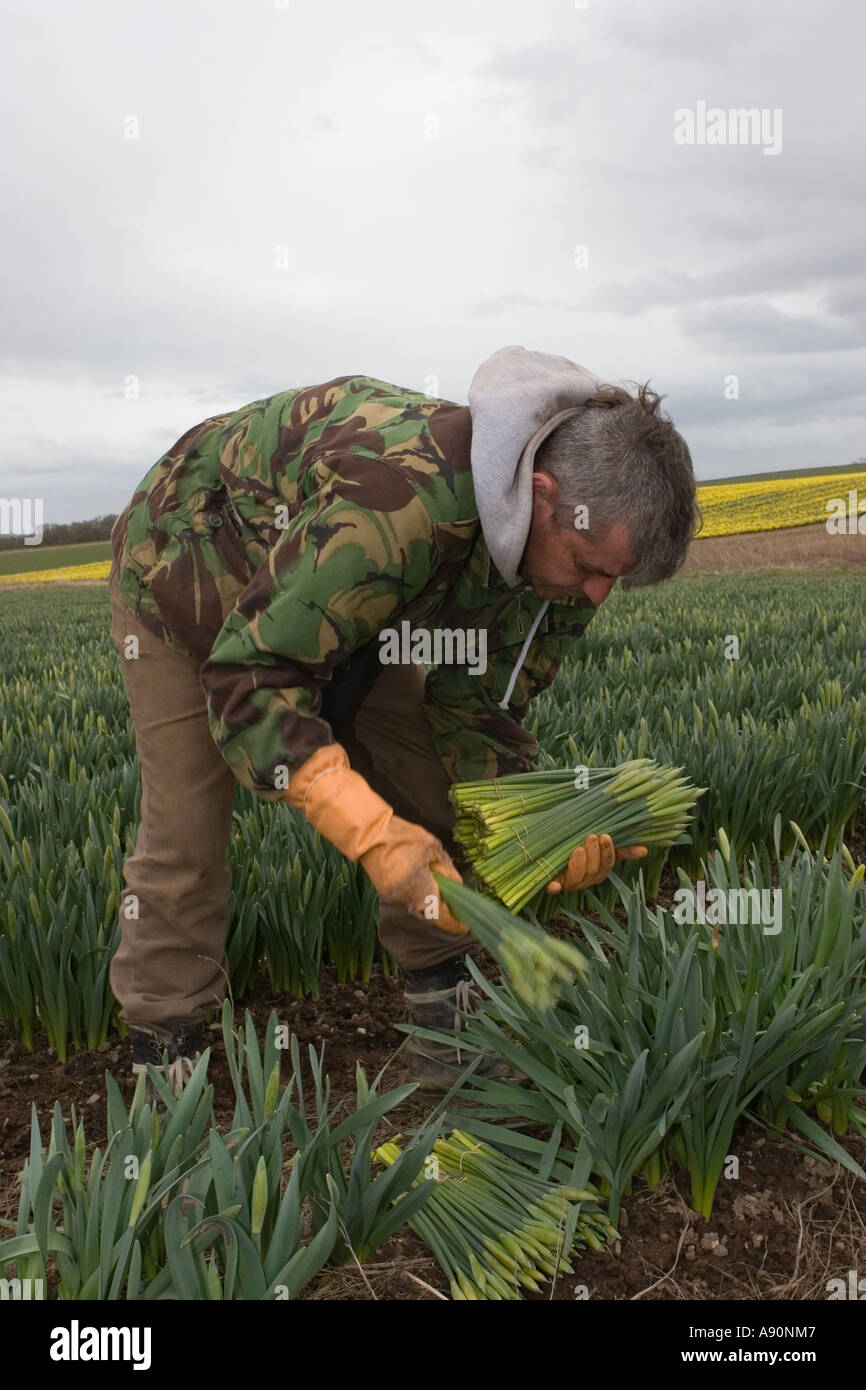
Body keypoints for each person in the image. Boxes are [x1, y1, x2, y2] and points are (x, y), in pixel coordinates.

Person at [108, 344, 698, 1095]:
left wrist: (543, 829)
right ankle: (166, 1049)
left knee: (426, 784)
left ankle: (439, 1008)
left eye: (615, 577)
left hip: (359, 608)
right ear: (542, 495)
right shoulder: (395, 505)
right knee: (187, 829)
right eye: (591, 565)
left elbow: (478, 708)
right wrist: (371, 833)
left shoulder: (557, 561)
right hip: (187, 578)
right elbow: (252, 676)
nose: (596, 594)